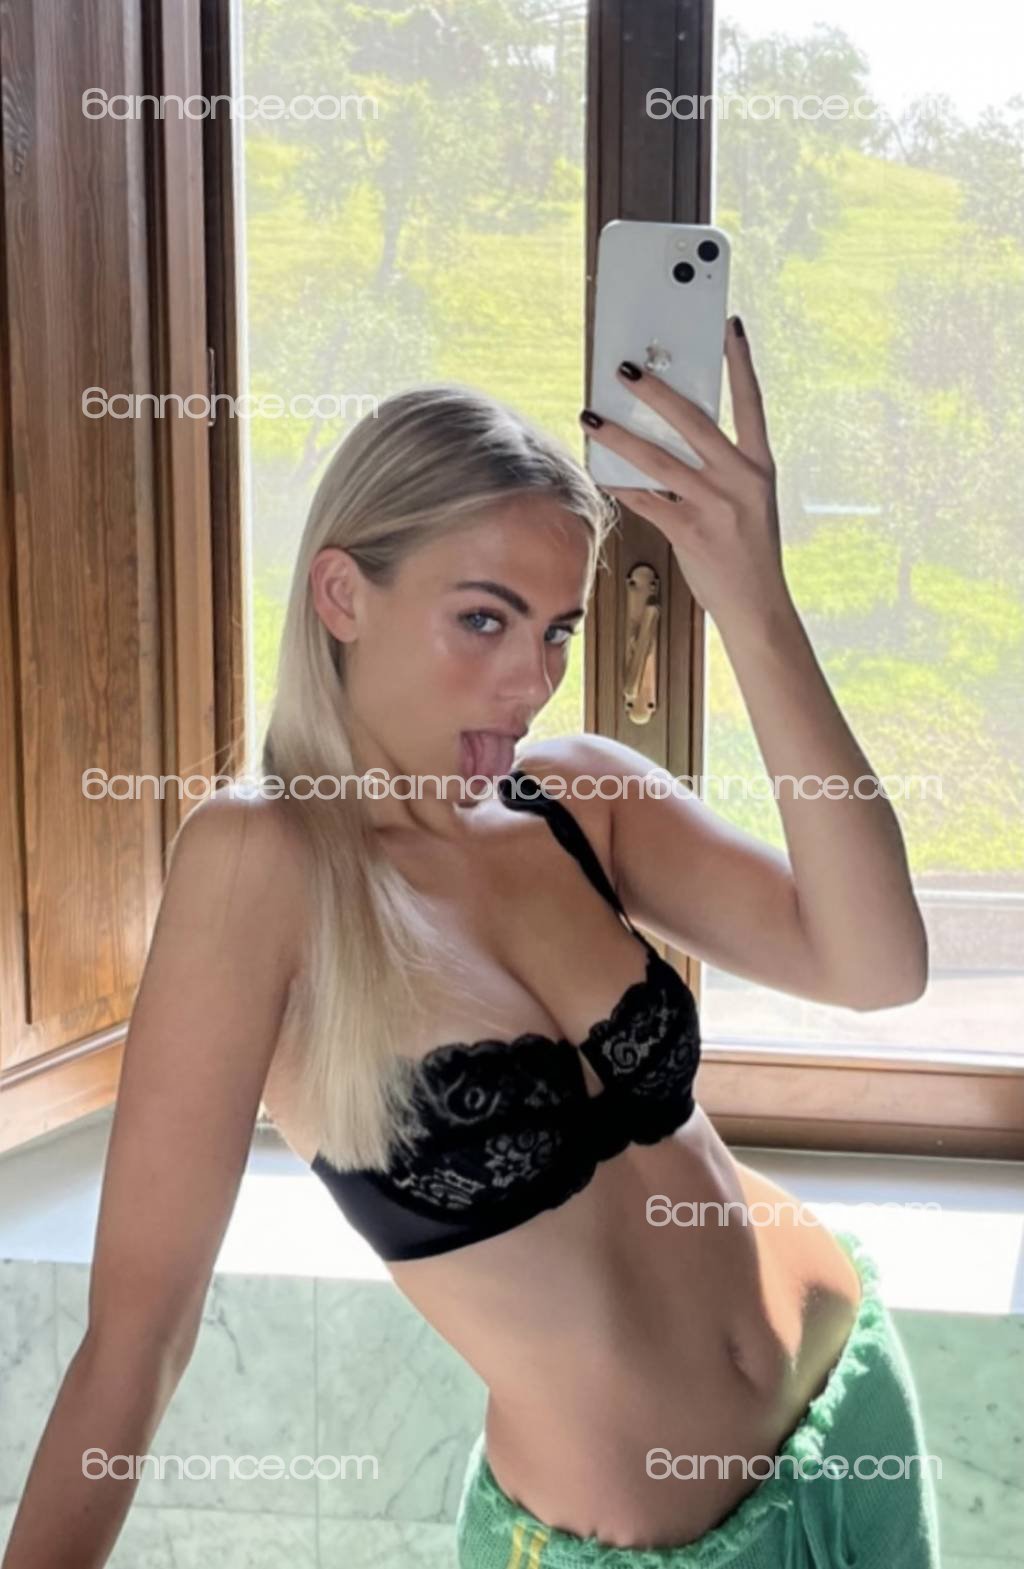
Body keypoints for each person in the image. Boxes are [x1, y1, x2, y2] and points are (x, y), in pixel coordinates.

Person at [1, 319, 940, 1569]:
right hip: (627, 1546)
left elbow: (878, 968)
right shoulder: (261, 865)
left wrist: (752, 603)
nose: (531, 680)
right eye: (484, 620)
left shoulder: (579, 800)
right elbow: (137, 1338)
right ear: (343, 595)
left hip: (850, 1402)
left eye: (555, 630)